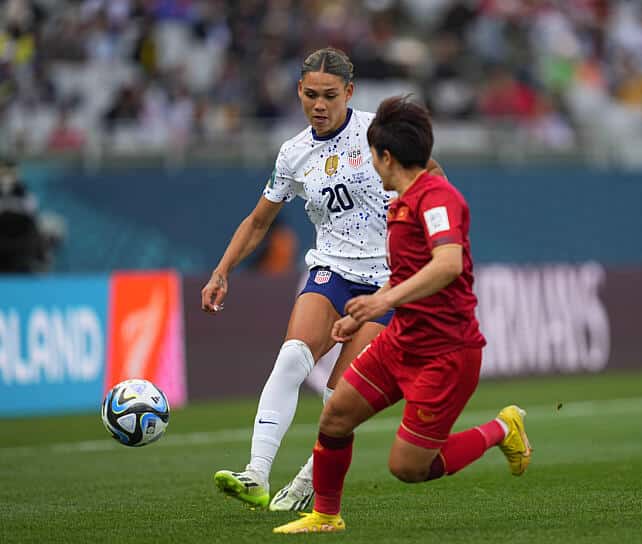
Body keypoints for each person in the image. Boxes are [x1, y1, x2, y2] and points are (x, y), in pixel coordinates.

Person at [272, 96, 531, 535]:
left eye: (372, 155)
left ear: (385, 157)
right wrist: (363, 312)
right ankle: (326, 516)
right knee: (335, 416)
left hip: (445, 354)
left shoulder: (436, 199)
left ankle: (501, 430)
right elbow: (409, 274)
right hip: (401, 343)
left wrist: (382, 302)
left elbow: (447, 264)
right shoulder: (401, 203)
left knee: (409, 468)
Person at [201, 48, 445, 512]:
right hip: (330, 272)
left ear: (349, 92)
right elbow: (257, 223)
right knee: (292, 358)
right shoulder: (293, 153)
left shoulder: (379, 133)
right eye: (310, 94)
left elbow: (433, 178)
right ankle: (255, 473)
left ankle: (309, 479)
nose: (319, 104)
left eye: (330, 95)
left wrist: (438, 238)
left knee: (340, 398)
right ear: (298, 92)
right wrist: (222, 270)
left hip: (387, 284)